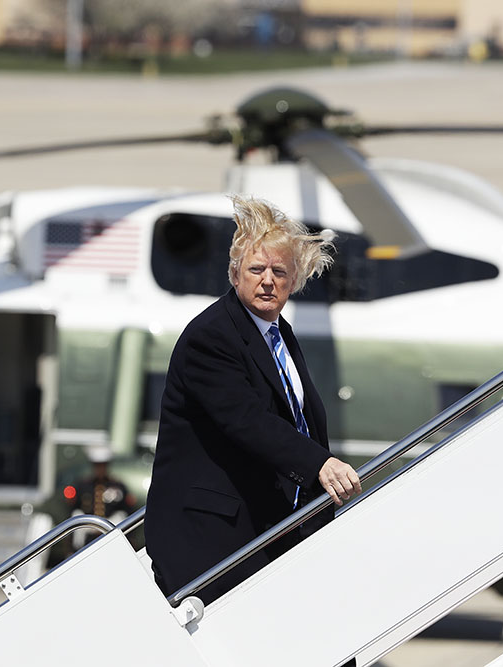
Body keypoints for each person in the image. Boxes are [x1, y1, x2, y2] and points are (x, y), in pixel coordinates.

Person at [145, 196, 362, 604]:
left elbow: (301, 420)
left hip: (268, 526)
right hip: (212, 538)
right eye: (256, 269)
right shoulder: (211, 336)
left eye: (279, 272)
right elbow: (245, 419)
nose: (268, 281)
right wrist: (319, 464)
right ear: (234, 274)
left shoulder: (279, 335)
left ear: (294, 280)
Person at [65, 445, 136, 549]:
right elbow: (74, 507)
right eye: (97, 466)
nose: (100, 469)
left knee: (121, 516)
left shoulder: (117, 486)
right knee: (76, 515)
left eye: (103, 465)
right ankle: (74, 550)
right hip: (89, 523)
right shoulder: (83, 485)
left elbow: (127, 509)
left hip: (110, 523)